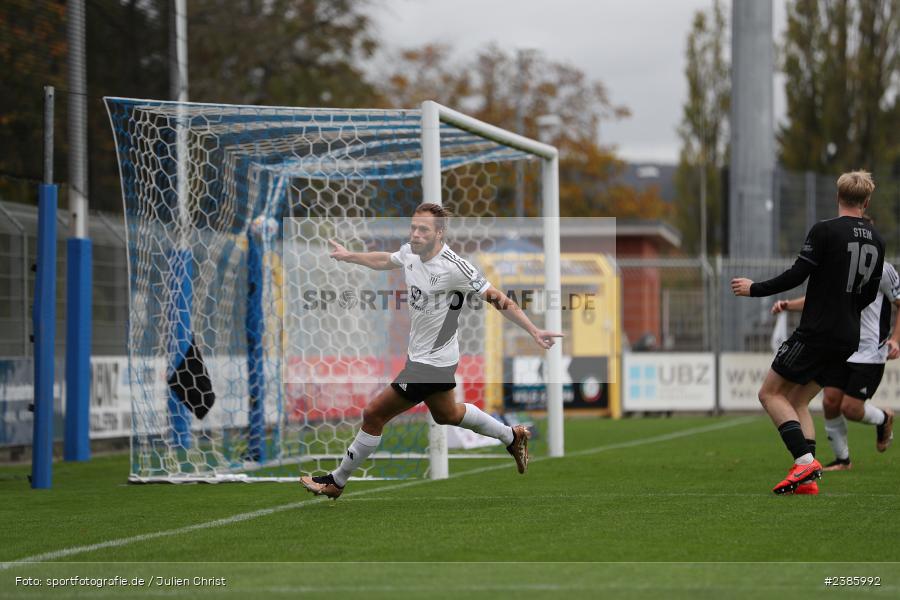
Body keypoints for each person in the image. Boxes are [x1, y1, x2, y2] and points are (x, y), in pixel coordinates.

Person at [300, 202, 563, 499]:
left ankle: (336, 481)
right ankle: (511, 435)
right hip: (424, 357)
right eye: (413, 227)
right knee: (447, 414)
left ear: (440, 233)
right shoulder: (410, 253)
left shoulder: (455, 267)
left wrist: (533, 330)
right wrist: (350, 256)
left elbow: (497, 298)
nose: (416, 234)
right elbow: (385, 260)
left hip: (431, 363)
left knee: (373, 414)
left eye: (423, 229)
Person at [731, 170, 884, 495]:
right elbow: (869, 295)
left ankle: (804, 462)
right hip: (848, 336)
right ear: (867, 201)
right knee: (799, 400)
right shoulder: (877, 240)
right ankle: (808, 480)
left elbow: (797, 274)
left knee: (770, 394)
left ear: (837, 196)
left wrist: (755, 288)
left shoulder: (825, 230)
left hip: (817, 332)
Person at [771, 218, 897, 470]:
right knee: (829, 402)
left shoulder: (884, 269)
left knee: (851, 408)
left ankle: (883, 418)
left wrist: (895, 339)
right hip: (841, 346)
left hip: (869, 350)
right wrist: (788, 305)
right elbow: (820, 298)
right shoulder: (841, 264)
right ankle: (842, 459)